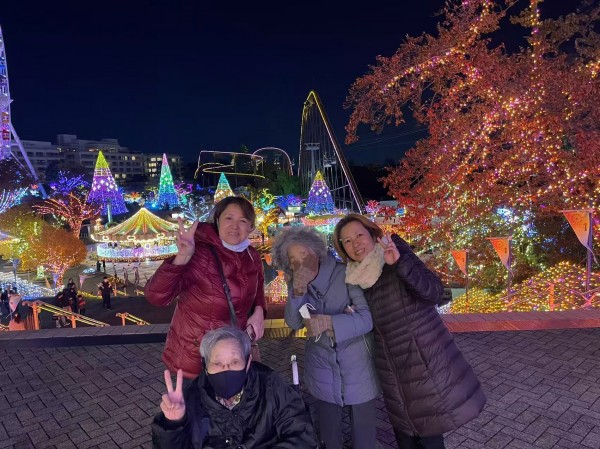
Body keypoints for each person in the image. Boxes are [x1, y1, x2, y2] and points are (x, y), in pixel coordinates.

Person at [333, 214, 486, 449]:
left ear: (373, 234)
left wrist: (399, 264)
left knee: (429, 436)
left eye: (359, 235)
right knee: (406, 438)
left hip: (423, 364)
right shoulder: (355, 280)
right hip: (392, 373)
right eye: (347, 241)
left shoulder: (394, 252)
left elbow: (434, 292)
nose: (355, 244)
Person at [271, 227, 379, 449]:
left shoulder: (345, 273)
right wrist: (297, 292)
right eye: (293, 260)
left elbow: (367, 319)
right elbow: (294, 323)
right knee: (329, 438)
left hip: (358, 366)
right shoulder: (296, 283)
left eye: (304, 255)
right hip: (322, 369)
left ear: (317, 252)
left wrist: (330, 323)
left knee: (364, 438)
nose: (300, 263)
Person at [145, 196, 267, 380]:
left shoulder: (252, 255)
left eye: (243, 221)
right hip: (195, 358)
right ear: (217, 220)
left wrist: (259, 311)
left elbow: (258, 289)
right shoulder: (200, 254)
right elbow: (156, 297)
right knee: (195, 399)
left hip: (233, 355)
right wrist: (182, 258)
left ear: (251, 227)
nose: (235, 226)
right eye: (229, 218)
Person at [151, 327, 317, 449]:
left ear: (248, 362)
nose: (226, 369)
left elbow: (302, 435)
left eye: (235, 362)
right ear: (205, 366)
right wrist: (173, 424)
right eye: (217, 363)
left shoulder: (271, 386)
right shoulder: (190, 398)